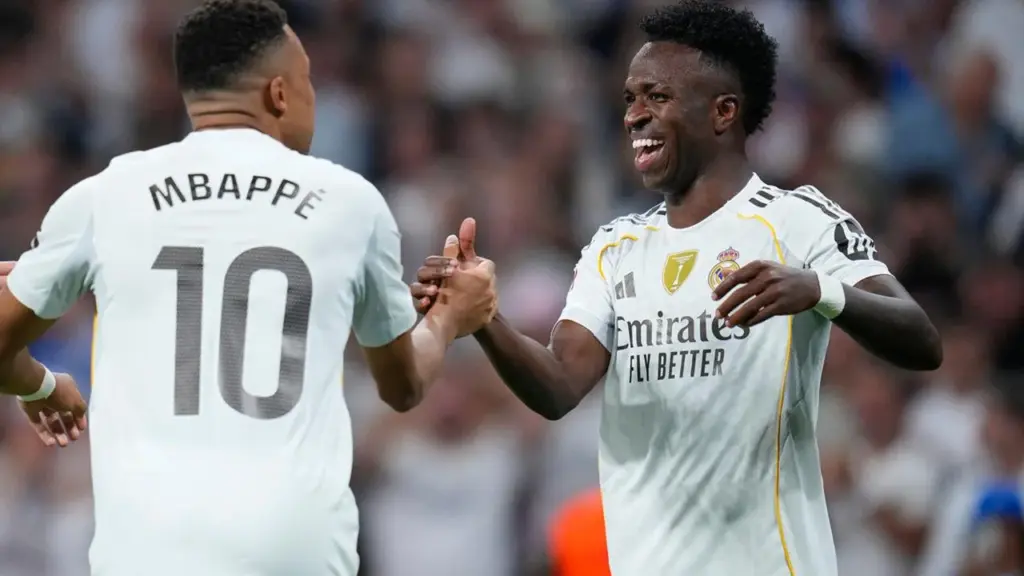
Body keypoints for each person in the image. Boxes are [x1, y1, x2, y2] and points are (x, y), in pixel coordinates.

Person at [411, 1, 942, 574]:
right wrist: (486, 319)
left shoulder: (798, 221)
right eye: (629, 98)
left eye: (656, 96)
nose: (634, 116)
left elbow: (921, 339)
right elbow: (560, 387)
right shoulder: (614, 248)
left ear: (723, 112)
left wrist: (820, 291)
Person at [0, 1, 496, 575]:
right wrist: (449, 318)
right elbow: (403, 386)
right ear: (280, 93)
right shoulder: (351, 204)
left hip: (146, 552)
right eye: (308, 80)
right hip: (293, 553)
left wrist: (39, 387)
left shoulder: (104, 195)